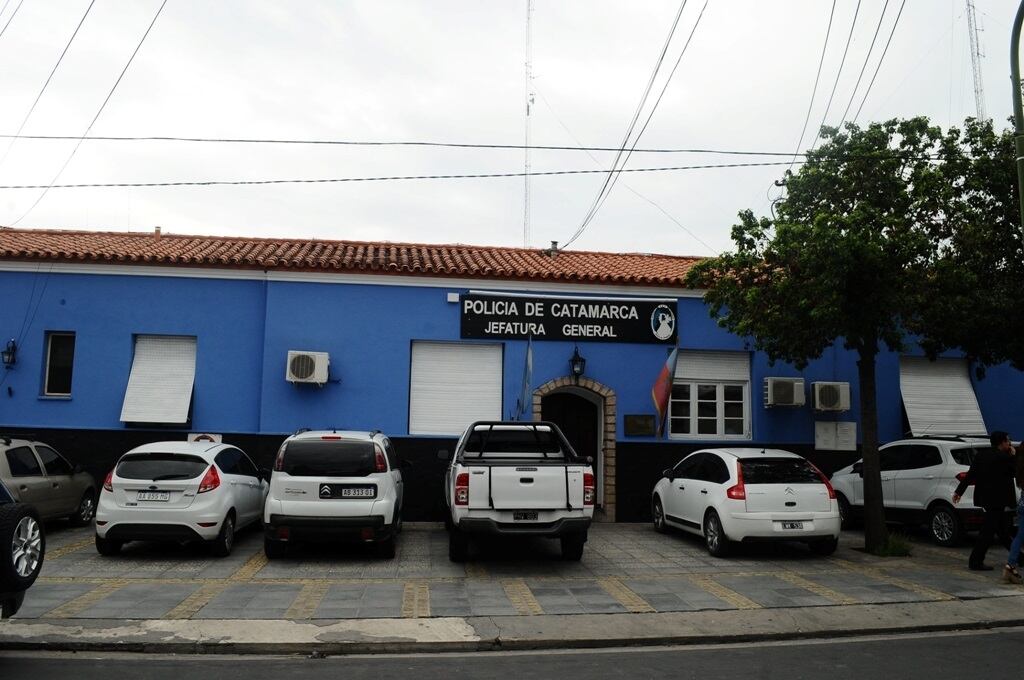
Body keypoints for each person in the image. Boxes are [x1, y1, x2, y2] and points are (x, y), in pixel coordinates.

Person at [953, 431, 1017, 571]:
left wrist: (959, 492)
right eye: (1008, 441)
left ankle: (1018, 557)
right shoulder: (1004, 457)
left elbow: (970, 475)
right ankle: (975, 561)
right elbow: (1014, 472)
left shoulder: (981, 455)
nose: (1009, 443)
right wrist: (1013, 456)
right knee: (987, 532)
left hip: (985, 498)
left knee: (1002, 530)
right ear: (1002, 442)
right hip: (998, 500)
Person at [1002, 444, 1024, 584]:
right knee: (1020, 536)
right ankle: (1010, 567)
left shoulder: (1020, 467)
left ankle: (1010, 567)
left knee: (1020, 537)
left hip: (1022, 505)